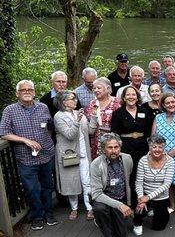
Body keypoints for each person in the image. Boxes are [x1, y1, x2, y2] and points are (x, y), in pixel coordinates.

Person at [0, 80, 58, 230]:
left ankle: (49, 214)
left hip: (46, 155)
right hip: (25, 158)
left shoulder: (43, 107)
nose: (27, 92)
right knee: (32, 189)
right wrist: (25, 140)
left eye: (30, 89)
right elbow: (4, 133)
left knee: (47, 186)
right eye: (23, 90)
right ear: (17, 93)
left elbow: (50, 127)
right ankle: (38, 216)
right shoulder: (10, 110)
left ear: (34, 92)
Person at [53, 91, 94, 221]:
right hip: (69, 155)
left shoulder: (78, 113)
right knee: (71, 182)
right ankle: (74, 208)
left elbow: (90, 131)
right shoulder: (58, 116)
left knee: (87, 182)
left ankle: (89, 208)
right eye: (72, 99)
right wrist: (77, 122)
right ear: (64, 102)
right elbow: (70, 135)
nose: (75, 101)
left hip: (83, 153)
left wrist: (94, 116)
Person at [111, 85, 153, 209]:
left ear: (137, 96)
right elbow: (114, 133)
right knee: (129, 176)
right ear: (124, 97)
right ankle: (130, 203)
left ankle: (146, 203)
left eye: (133, 94)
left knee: (143, 175)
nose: (131, 97)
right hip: (126, 149)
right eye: (128, 94)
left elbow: (150, 131)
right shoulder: (118, 113)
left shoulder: (144, 111)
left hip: (142, 147)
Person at [89, 133, 133, 237]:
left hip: (120, 198)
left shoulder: (127, 159)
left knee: (121, 234)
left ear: (120, 147)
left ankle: (112, 217)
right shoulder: (96, 164)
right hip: (104, 200)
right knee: (99, 209)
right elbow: (96, 194)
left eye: (116, 147)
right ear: (103, 149)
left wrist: (127, 203)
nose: (114, 151)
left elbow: (128, 180)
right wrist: (120, 205)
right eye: (110, 147)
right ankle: (101, 220)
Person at [132, 135, 174, 235]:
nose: (157, 149)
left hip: (161, 196)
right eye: (154, 147)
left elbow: (167, 184)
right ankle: (137, 224)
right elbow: (138, 182)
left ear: (164, 148)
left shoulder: (170, 161)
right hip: (145, 193)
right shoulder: (143, 160)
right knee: (139, 210)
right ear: (149, 147)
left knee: (158, 227)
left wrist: (148, 197)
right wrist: (141, 198)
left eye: (160, 147)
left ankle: (157, 210)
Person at [85, 77, 122, 160]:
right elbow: (89, 122)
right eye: (94, 88)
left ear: (108, 88)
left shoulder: (117, 102)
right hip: (96, 142)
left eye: (99, 88)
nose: (96, 90)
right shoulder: (93, 104)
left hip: (113, 142)